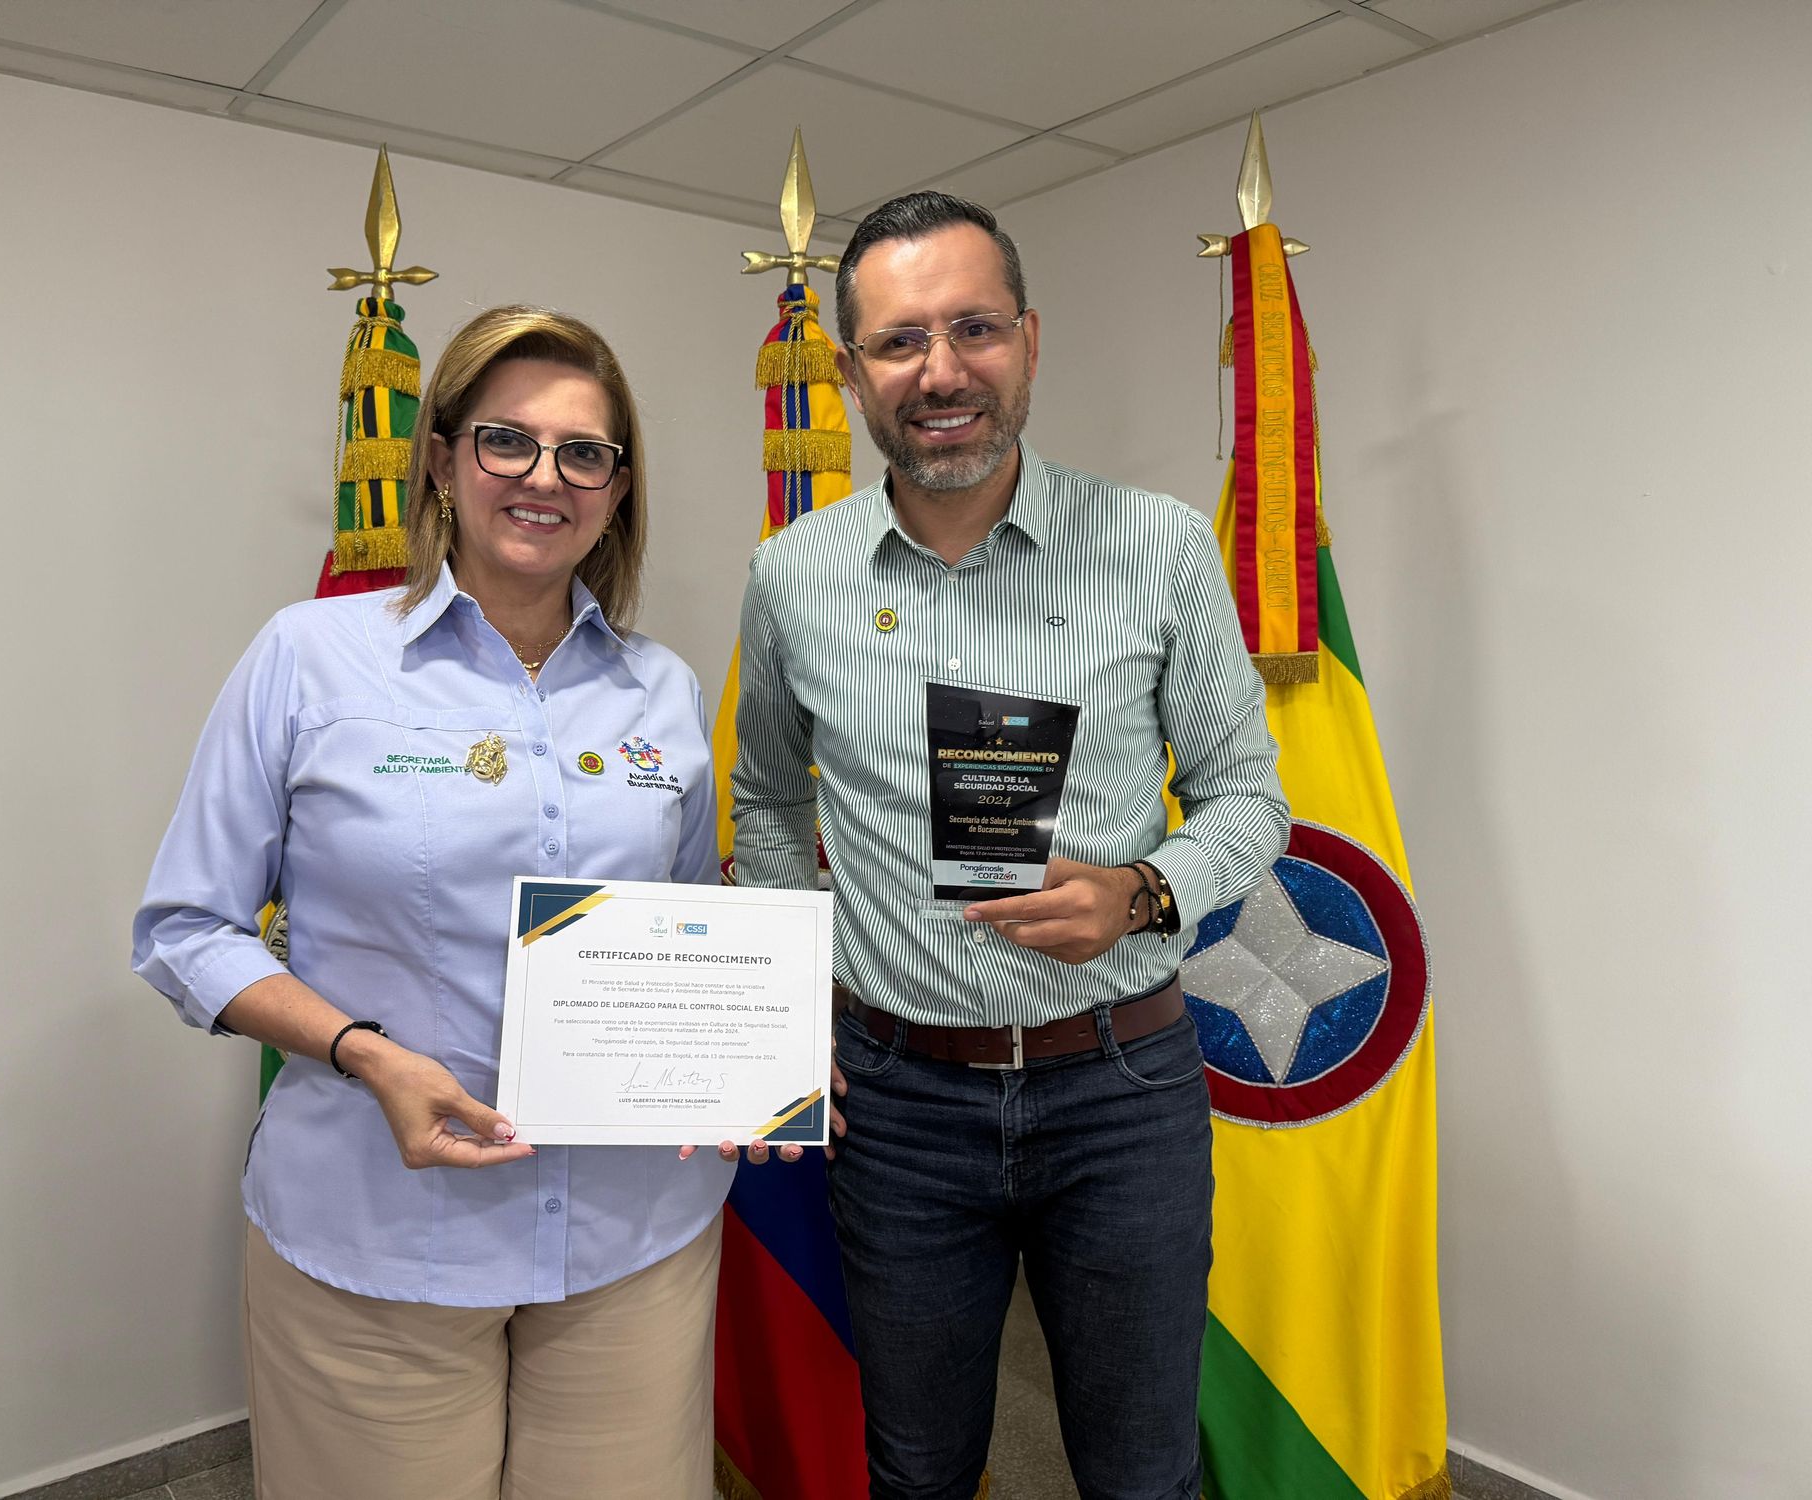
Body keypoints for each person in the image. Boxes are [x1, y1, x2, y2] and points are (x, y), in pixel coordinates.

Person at [134, 305, 782, 1500]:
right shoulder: (309, 657)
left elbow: (689, 919)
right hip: (382, 1230)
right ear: (440, 460)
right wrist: (364, 1053)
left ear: (616, 490)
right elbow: (185, 930)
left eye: (582, 453)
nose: (544, 477)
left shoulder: (662, 689)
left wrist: (748, 1056)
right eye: (506, 441)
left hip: (631, 1238)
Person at [731, 194, 1290, 1500]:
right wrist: (783, 1004)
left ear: (1028, 342)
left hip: (1121, 1092)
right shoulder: (792, 577)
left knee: (1140, 1473)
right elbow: (763, 801)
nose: (940, 372)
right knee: (919, 1470)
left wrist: (1142, 892)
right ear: (851, 370)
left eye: (973, 328)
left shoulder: (1157, 545)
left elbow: (1247, 799)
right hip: (898, 1103)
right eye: (899, 341)